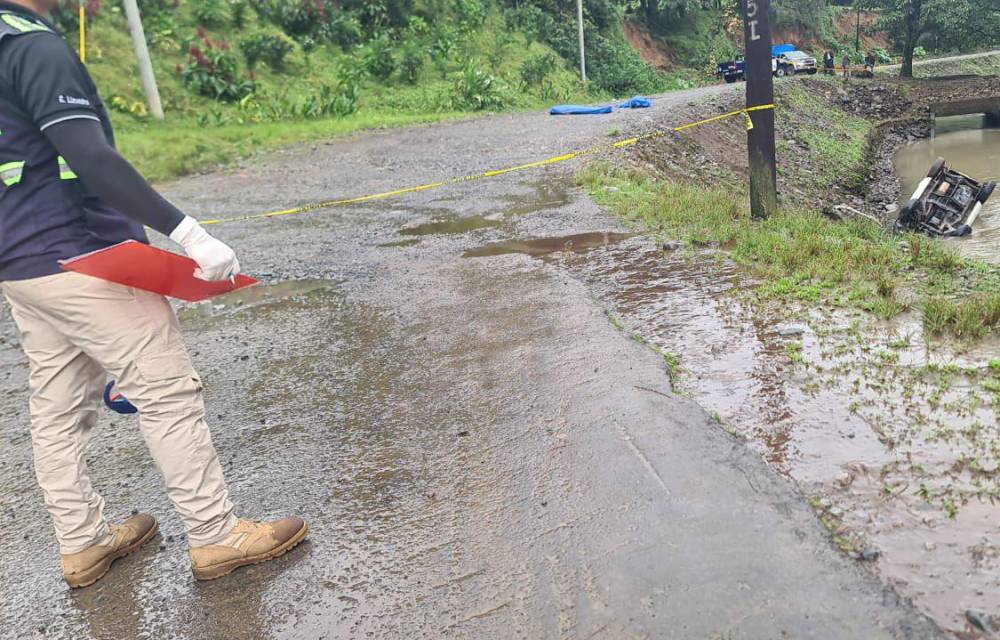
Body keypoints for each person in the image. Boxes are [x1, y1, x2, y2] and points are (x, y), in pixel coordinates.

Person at [0, 0, 307, 587]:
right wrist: (187, 231)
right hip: (81, 256)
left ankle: (82, 544)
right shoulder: (34, 46)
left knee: (57, 408)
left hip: (21, 265)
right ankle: (216, 535)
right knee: (165, 389)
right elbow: (87, 155)